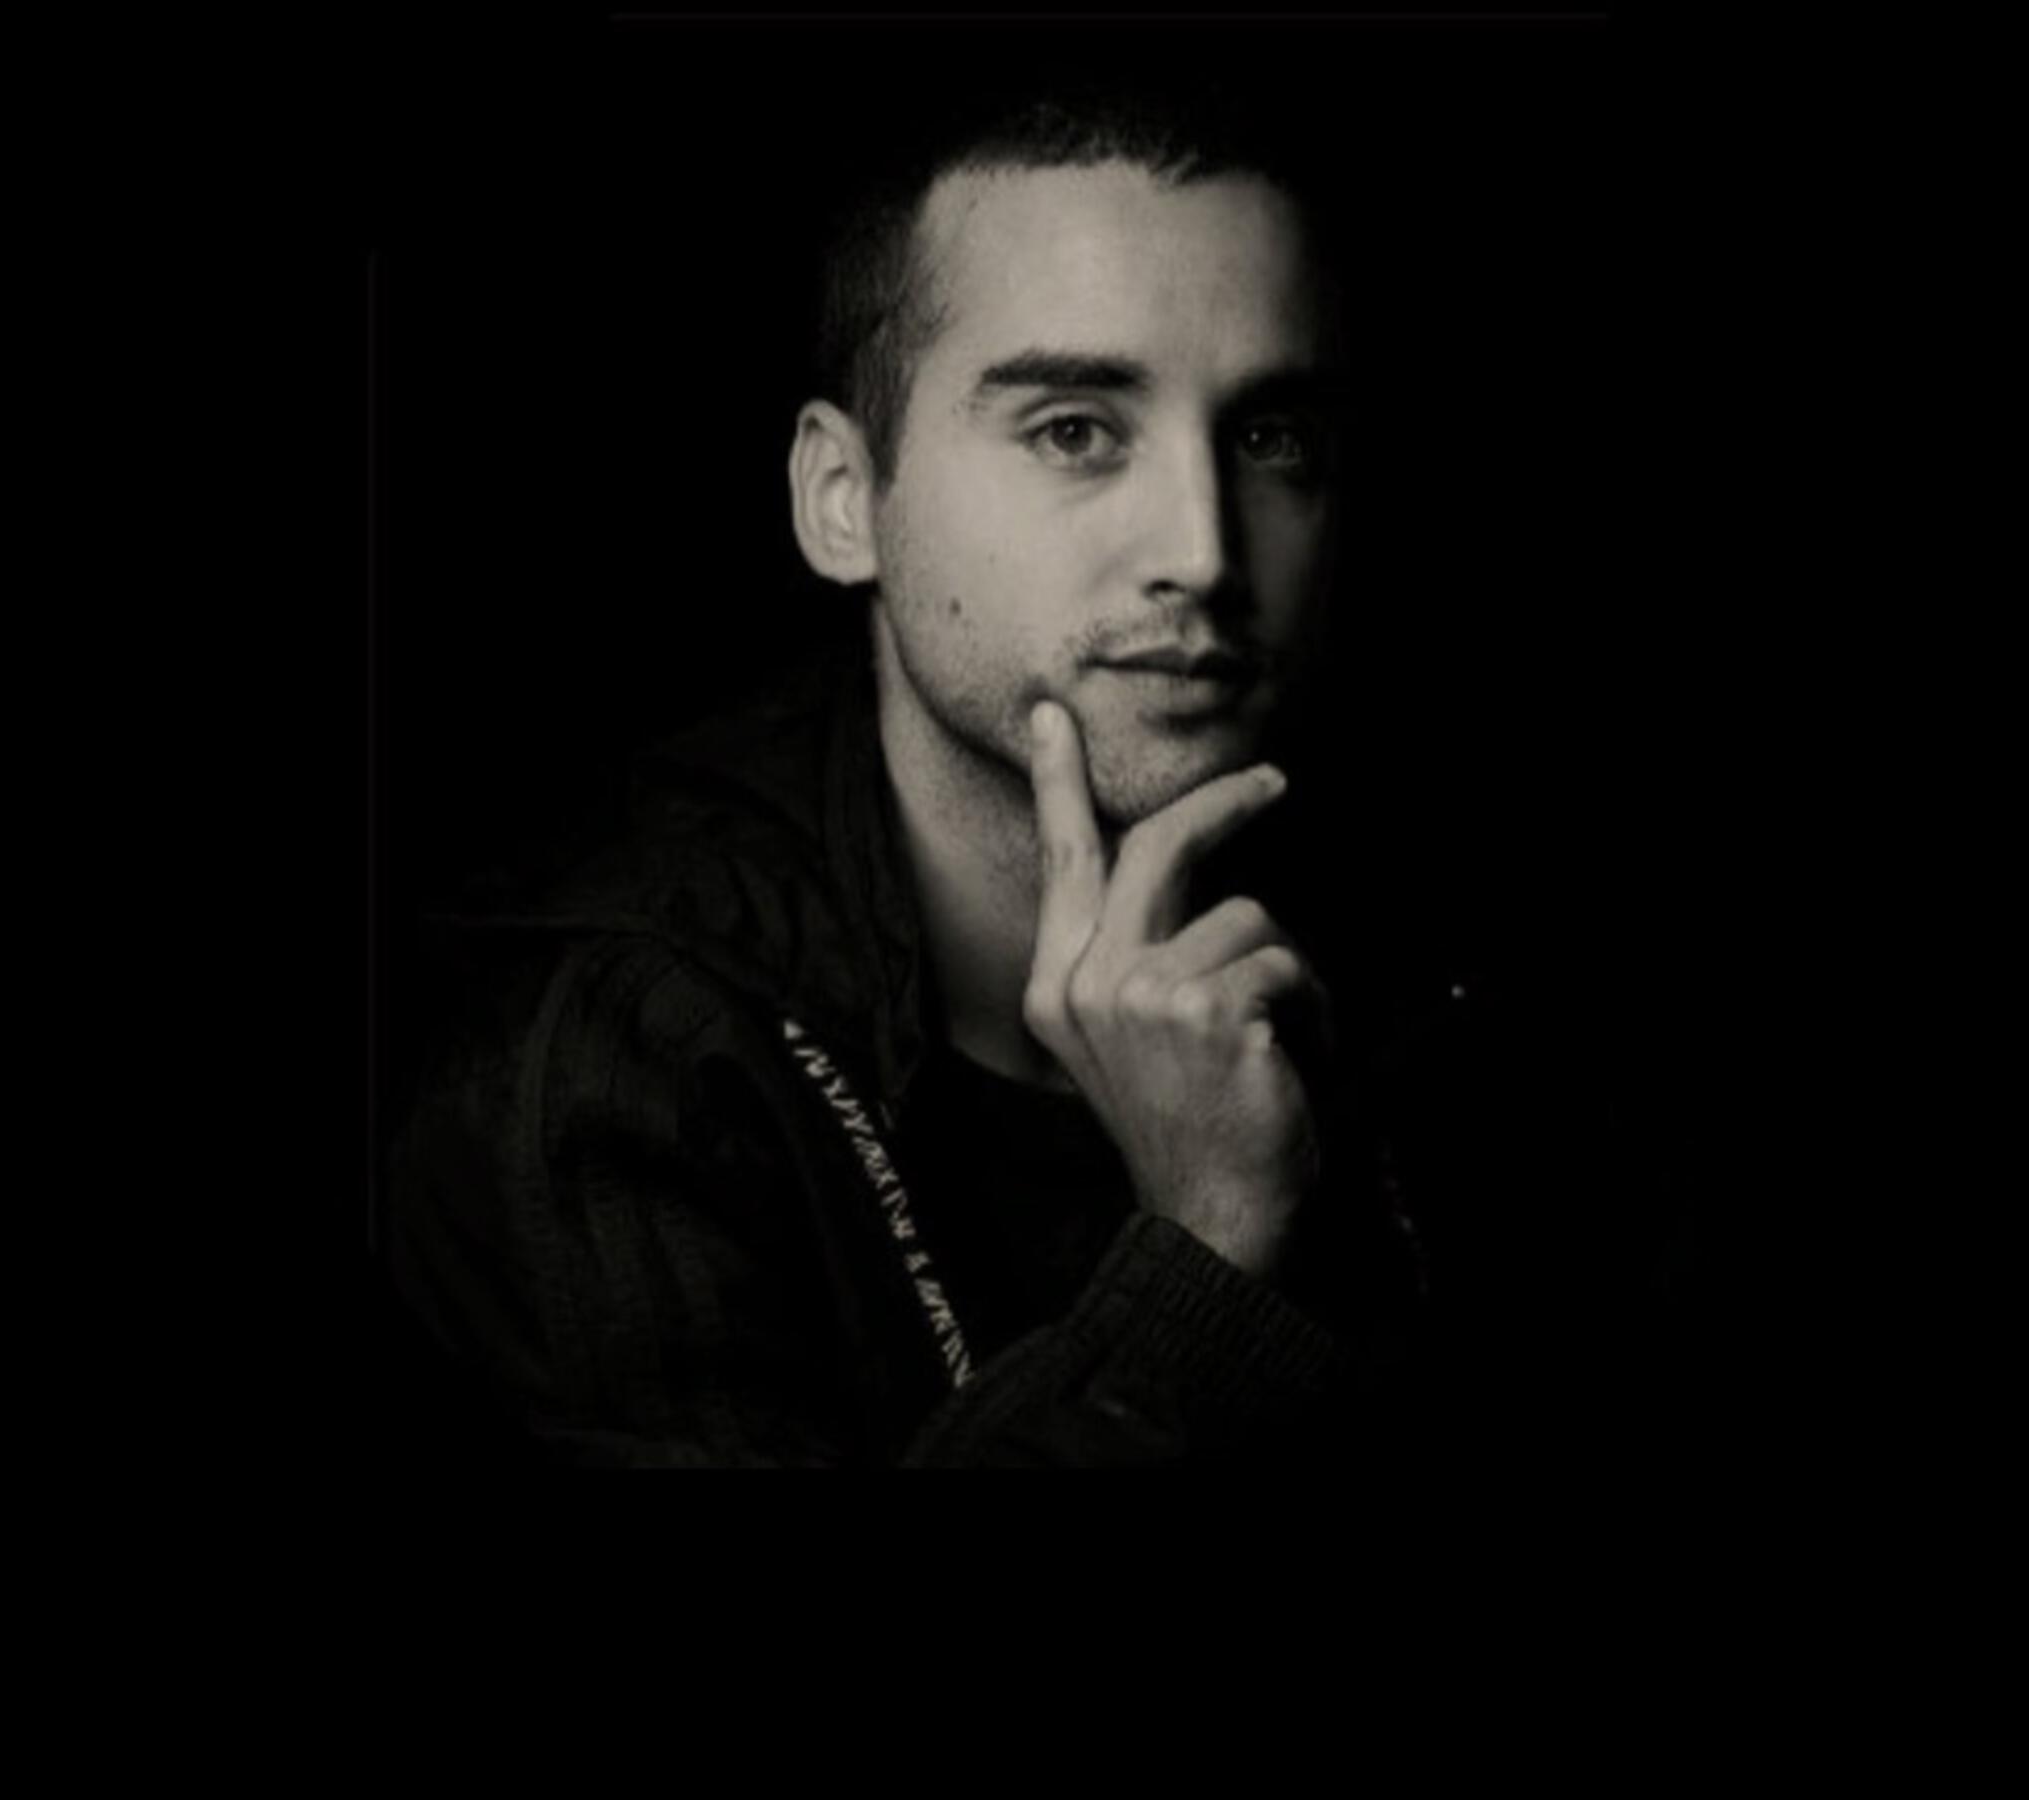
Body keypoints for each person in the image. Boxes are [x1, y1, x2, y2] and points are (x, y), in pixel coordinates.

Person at [379, 81, 1680, 1467]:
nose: (1205, 551)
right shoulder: (606, 1072)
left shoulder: (1475, 981)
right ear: (842, 500)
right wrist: (1204, 1260)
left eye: (1269, 438)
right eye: (1075, 429)